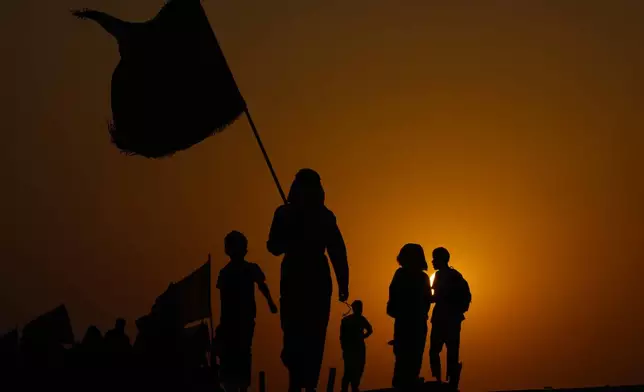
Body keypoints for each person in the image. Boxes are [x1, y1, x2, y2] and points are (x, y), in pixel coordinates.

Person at [267, 169, 349, 392]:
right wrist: (343, 283)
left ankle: (305, 384)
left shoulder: (317, 215)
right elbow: (274, 246)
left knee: (310, 332)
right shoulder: (287, 214)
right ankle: (301, 382)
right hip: (302, 275)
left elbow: (336, 250)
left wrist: (343, 282)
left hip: (310, 276)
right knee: (299, 331)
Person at [217, 231, 278, 392]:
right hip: (232, 322)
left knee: (241, 354)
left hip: (243, 321)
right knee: (234, 355)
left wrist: (270, 302)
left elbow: (261, 285)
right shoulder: (226, 273)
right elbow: (224, 301)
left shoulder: (248, 269)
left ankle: (241, 386)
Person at [387, 244, 431, 390]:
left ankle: (404, 381)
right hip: (415, 321)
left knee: (403, 354)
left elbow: (393, 298)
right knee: (413, 353)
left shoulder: (400, 275)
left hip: (405, 321)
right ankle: (408, 380)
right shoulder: (422, 277)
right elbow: (427, 301)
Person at [428, 247, 470, 391]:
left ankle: (441, 381)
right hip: (451, 318)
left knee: (436, 350)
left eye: (434, 258)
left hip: (444, 318)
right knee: (450, 351)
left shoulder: (443, 276)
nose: (432, 261)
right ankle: (447, 381)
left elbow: (437, 296)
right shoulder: (454, 275)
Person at [340, 300, 372, 392]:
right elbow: (370, 330)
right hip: (353, 348)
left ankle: (351, 387)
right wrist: (362, 337)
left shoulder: (348, 320)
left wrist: (362, 337)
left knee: (355, 368)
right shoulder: (351, 320)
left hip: (354, 348)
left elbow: (370, 330)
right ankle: (348, 388)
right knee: (351, 369)